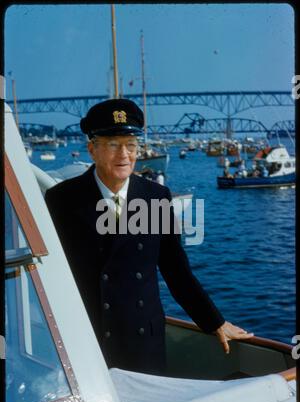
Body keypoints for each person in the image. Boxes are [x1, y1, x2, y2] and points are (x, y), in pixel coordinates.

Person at [45, 98, 253, 375]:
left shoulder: (155, 197)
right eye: (113, 145)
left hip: (143, 341)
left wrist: (214, 322)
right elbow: (50, 274)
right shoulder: (63, 200)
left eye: (131, 145)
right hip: (89, 340)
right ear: (92, 149)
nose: (124, 155)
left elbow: (176, 270)